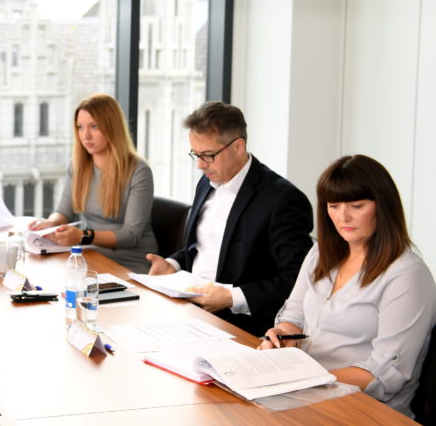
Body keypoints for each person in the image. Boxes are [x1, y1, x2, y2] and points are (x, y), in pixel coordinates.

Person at [259, 155, 436, 418]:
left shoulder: (407, 274)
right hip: (306, 395)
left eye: (356, 205)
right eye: (333, 205)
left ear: (382, 207)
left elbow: (386, 373)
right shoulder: (320, 253)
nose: (343, 217)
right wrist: (282, 337)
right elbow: (293, 316)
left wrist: (307, 379)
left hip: (365, 411)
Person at [146, 102, 313, 335]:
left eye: (208, 155)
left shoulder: (283, 199)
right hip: (189, 310)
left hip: (241, 325)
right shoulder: (207, 182)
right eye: (196, 154)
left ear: (238, 147)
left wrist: (232, 298)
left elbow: (297, 280)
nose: (200, 165)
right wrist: (173, 264)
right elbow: (203, 247)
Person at [29, 94, 158, 273]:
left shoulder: (139, 171)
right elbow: (64, 213)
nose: (86, 135)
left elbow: (131, 235)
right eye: (80, 127)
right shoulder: (78, 165)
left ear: (112, 128)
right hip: (92, 258)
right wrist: (50, 224)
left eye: (94, 126)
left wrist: (83, 236)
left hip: (131, 265)